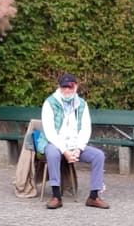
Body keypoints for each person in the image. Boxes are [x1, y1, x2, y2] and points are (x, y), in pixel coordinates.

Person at [42, 72, 108, 210]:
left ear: (76, 87)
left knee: (98, 155)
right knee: (53, 154)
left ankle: (94, 196)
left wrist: (79, 148)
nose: (67, 90)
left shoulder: (82, 105)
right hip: (55, 143)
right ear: (59, 87)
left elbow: (85, 128)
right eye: (64, 87)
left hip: (74, 145)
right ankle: (56, 196)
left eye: (70, 87)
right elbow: (50, 132)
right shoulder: (49, 103)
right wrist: (64, 151)